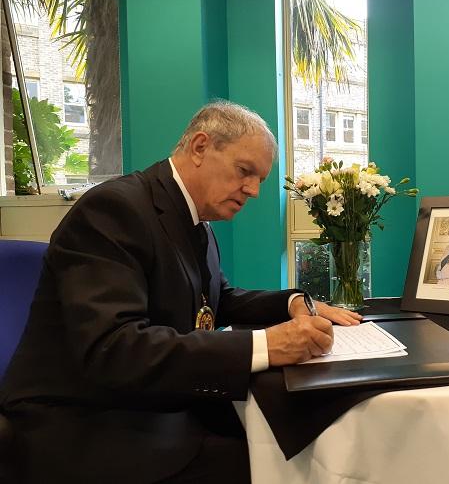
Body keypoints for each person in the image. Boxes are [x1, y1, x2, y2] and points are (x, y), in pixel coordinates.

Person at [0, 101, 362, 484]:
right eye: (245, 172)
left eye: (260, 179)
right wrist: (266, 346)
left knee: (285, 444)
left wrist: (293, 303)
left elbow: (216, 301)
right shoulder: (112, 210)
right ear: (201, 147)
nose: (254, 191)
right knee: (273, 465)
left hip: (147, 407)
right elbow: (115, 348)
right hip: (82, 422)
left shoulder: (195, 220)